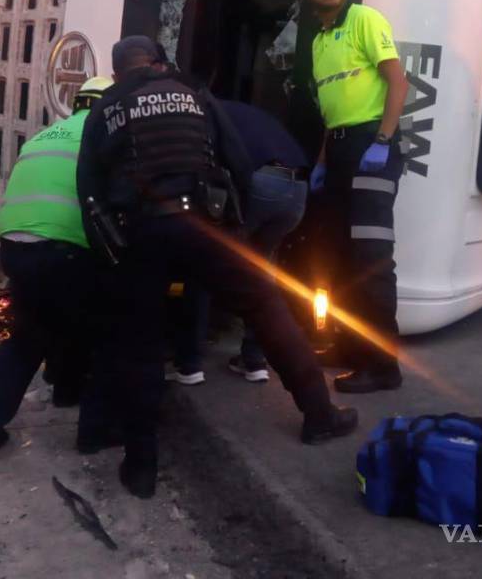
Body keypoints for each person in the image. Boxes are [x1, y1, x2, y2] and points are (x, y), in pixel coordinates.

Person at [77, 36, 358, 499]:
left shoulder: (105, 109)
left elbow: (89, 190)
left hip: (142, 232)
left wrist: (113, 255)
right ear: (159, 62)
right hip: (206, 225)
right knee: (267, 309)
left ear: (116, 72)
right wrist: (238, 230)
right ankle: (319, 416)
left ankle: (141, 466)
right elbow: (237, 161)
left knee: (141, 343)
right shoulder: (192, 92)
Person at [0, 77, 115, 463]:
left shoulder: (41, 138)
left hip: (14, 247)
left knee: (31, 335)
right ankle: (93, 434)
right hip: (62, 250)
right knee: (102, 331)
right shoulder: (102, 137)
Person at [302, 0, 410, 394]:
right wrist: (324, 161)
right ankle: (348, 348)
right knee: (343, 259)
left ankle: (383, 367)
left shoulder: (364, 19)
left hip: (371, 145)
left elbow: (398, 82)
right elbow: (331, 113)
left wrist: (382, 142)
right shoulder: (319, 42)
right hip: (341, 149)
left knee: (372, 262)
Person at [169, 99, 312, 384]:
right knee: (260, 272)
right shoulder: (246, 113)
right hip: (297, 191)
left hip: (262, 184)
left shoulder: (201, 114)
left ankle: (189, 365)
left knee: (204, 265)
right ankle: (254, 359)